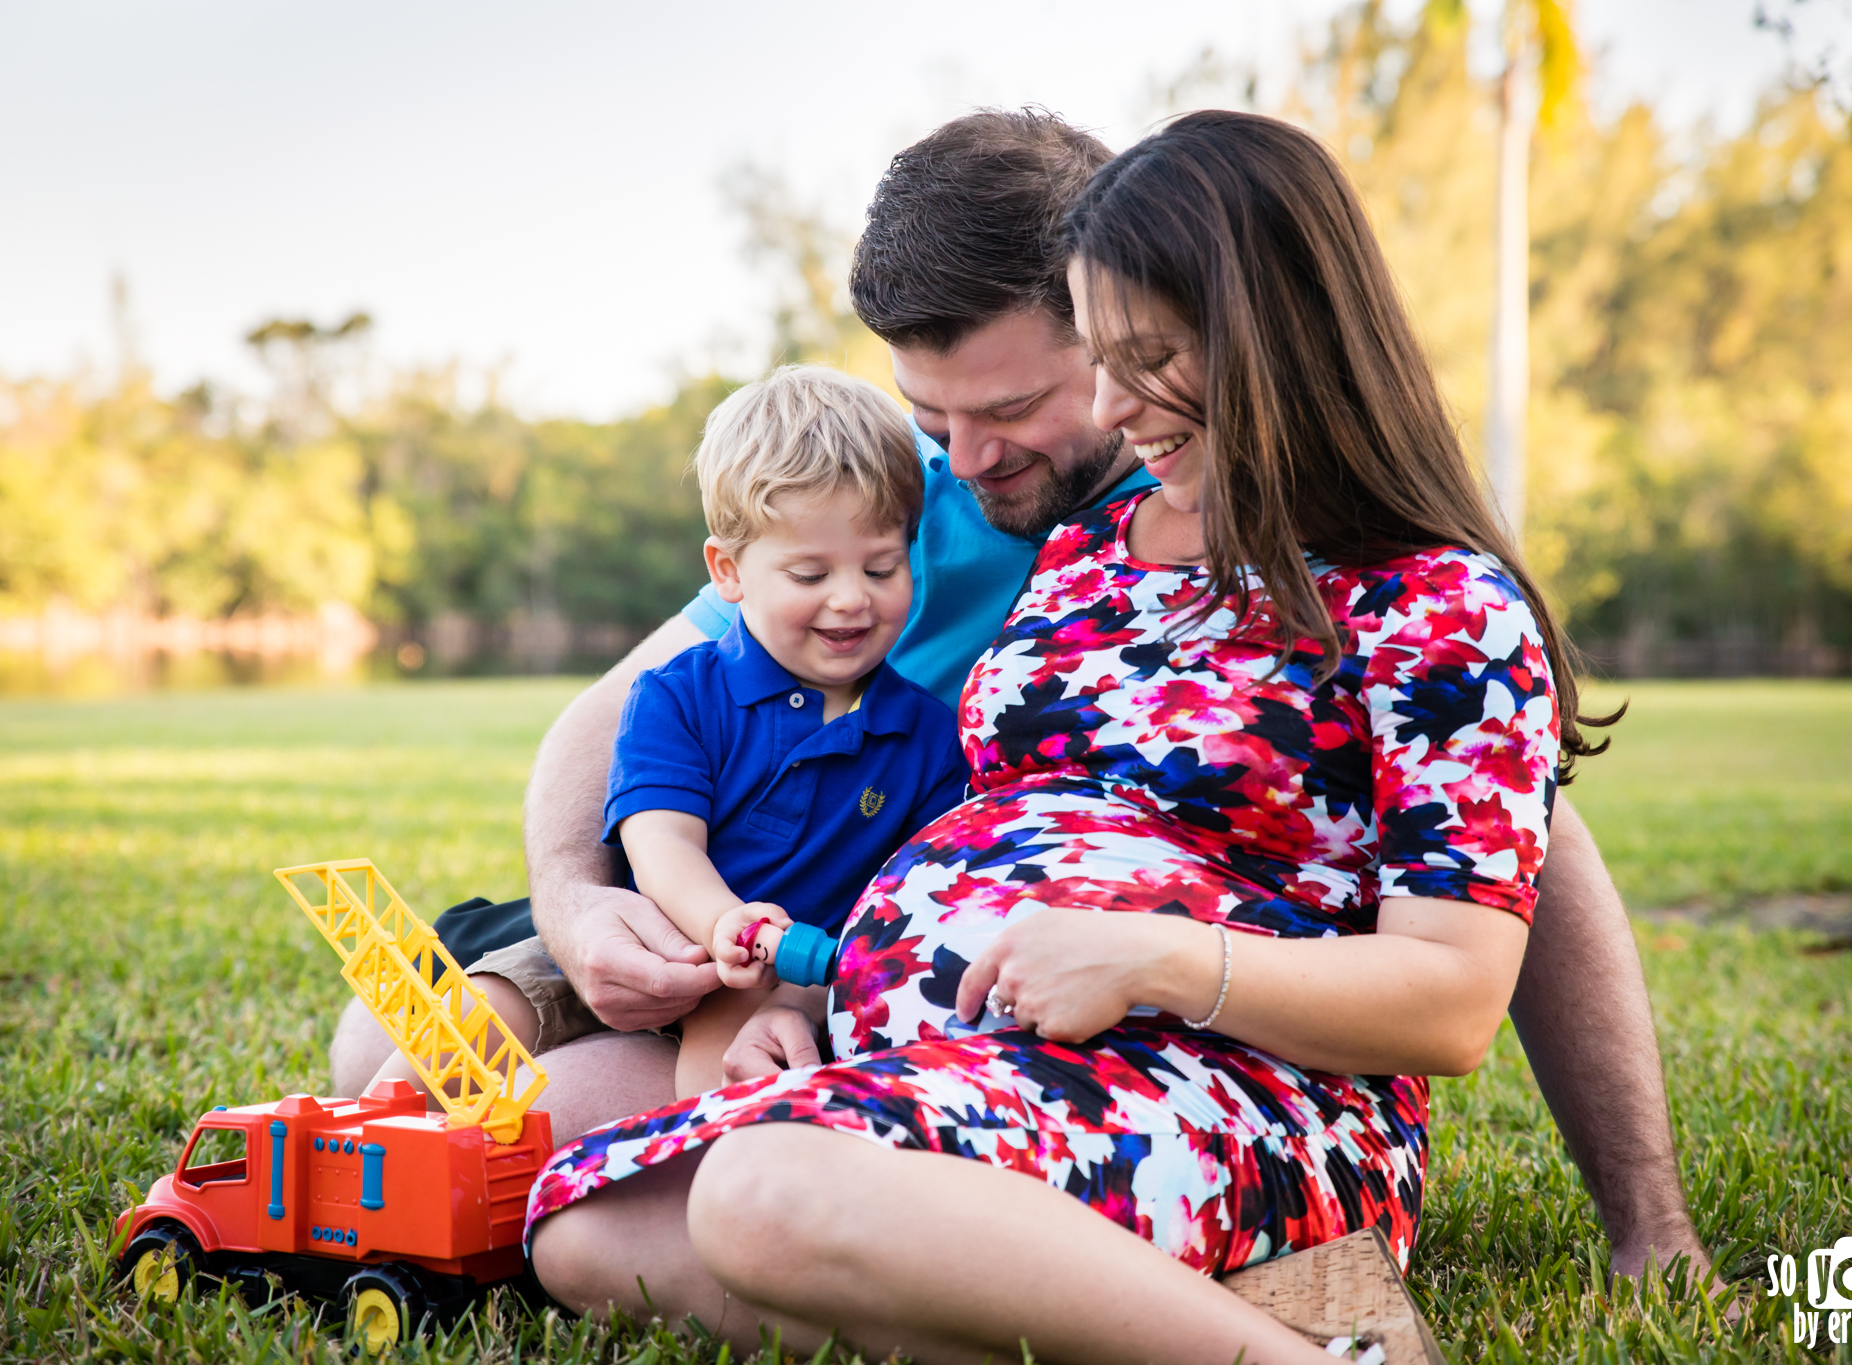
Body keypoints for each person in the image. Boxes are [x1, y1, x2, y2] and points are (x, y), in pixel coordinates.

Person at [329, 107, 1713, 1285]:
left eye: (1018, 404)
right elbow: (626, 712)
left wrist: (1649, 1222)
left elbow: (1500, 852)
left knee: (691, 1197)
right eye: (934, 415)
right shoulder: (935, 510)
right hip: (774, 909)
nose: (967, 459)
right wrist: (587, 909)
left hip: (1108, 1018)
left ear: (1142, 321)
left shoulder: (1377, 581)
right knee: (449, 1119)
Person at [607, 365, 965, 1097]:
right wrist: (722, 922)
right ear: (729, 570)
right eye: (809, 574)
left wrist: (781, 973)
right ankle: (369, 1152)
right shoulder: (679, 695)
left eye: (881, 566)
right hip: (656, 940)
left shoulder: (928, 738)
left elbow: (912, 893)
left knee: (727, 1048)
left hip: (778, 977)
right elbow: (661, 838)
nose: (850, 599)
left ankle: (708, 1181)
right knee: (490, 1002)